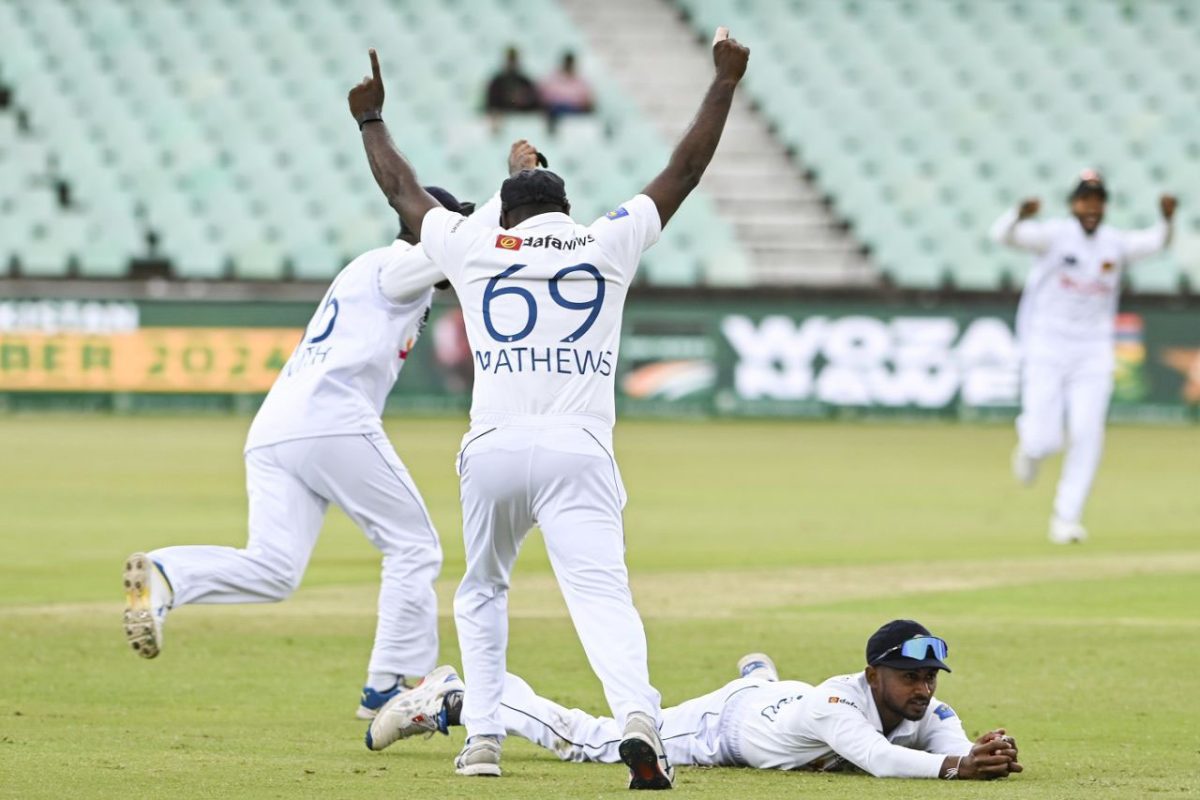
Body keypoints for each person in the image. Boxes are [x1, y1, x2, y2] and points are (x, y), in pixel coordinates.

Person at [346, 27, 749, 788]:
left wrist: (370, 118)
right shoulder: (605, 244)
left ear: (509, 214)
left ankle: (484, 741)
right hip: (578, 451)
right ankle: (637, 719)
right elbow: (685, 169)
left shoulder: (473, 246)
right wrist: (724, 80)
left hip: (494, 449)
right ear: (566, 208)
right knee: (603, 596)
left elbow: (403, 192)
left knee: (483, 590)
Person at [121, 141, 542, 720]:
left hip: (277, 427)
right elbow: (459, 246)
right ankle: (389, 684)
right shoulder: (395, 266)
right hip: (330, 418)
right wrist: (519, 183)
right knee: (414, 545)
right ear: (426, 231)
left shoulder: (376, 273)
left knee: (274, 569)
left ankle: (169, 573)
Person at [366, 619, 1022, 782]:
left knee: (770, 690)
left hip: (774, 703)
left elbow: (951, 743)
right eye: (910, 678)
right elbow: (879, 761)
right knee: (592, 741)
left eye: (932, 678)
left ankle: (760, 673)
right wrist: (960, 768)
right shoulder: (837, 703)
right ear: (872, 675)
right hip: (722, 727)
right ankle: (461, 695)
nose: (924, 689)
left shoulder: (926, 710)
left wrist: (981, 752)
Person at [990, 170, 1177, 544]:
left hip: (1093, 351)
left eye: (1098, 200)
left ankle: (1066, 518)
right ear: (1073, 204)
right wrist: (1018, 214)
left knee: (1087, 433)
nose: (1092, 207)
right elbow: (1002, 236)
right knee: (1045, 440)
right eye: (1085, 199)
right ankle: (1030, 449)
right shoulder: (1053, 237)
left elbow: (1157, 242)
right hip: (1047, 344)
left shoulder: (1115, 243)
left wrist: (1167, 220)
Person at [539, 51, 594, 129]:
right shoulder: (553, 78)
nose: (568, 66)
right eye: (567, 63)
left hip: (575, 109)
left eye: (570, 63)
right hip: (556, 108)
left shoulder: (580, 80)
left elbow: (587, 98)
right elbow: (545, 95)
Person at [485, 46, 540, 115]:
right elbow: (491, 104)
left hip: (522, 119)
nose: (512, 63)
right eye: (510, 60)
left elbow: (535, 102)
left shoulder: (524, 81)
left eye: (513, 60)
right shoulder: (497, 82)